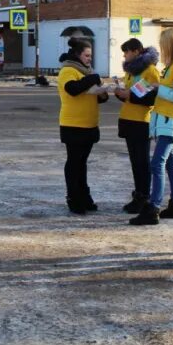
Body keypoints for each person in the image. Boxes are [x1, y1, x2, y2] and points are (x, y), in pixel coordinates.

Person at [130, 28, 173, 225]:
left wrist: (160, 87)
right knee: (169, 163)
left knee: (157, 163)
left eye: (163, 44)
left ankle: (153, 207)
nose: (161, 48)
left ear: (170, 44)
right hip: (165, 119)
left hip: (171, 119)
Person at [58, 37, 108, 214]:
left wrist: (103, 93)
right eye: (87, 55)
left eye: (91, 56)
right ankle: (73, 197)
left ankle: (84, 195)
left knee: (82, 163)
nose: (89, 59)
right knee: (74, 162)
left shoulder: (87, 71)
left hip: (89, 125)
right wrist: (93, 78)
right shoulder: (68, 70)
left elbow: (94, 97)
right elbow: (72, 89)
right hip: (73, 125)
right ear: (78, 55)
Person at [114, 38, 160, 214]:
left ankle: (143, 196)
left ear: (136, 51)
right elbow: (130, 93)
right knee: (135, 161)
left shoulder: (150, 71)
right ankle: (138, 193)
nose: (124, 56)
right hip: (128, 119)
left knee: (142, 161)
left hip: (142, 121)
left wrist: (128, 95)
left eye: (126, 52)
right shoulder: (132, 71)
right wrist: (120, 92)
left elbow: (152, 97)